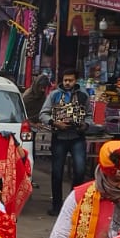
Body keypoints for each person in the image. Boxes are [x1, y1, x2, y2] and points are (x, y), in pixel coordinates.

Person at [39, 70, 92, 216]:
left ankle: (73, 205)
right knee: (57, 173)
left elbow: (88, 115)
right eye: (65, 80)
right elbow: (43, 113)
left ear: (76, 81)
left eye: (71, 80)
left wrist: (84, 125)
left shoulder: (83, 96)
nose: (68, 83)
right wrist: (54, 122)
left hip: (77, 137)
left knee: (80, 171)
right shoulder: (54, 95)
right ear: (62, 80)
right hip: (59, 138)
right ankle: (56, 206)